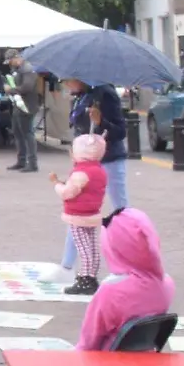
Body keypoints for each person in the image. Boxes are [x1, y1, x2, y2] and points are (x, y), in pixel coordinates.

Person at [77, 208, 174, 350]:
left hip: (107, 365)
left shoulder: (111, 291)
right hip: (146, 362)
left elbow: (88, 343)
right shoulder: (167, 284)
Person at [59, 78, 128, 272]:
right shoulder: (83, 95)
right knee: (77, 210)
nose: (65, 84)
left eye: (67, 80)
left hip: (109, 160)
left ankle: (127, 261)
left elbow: (120, 131)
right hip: (86, 162)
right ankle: (67, 265)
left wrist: (100, 122)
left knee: (121, 211)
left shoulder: (105, 93)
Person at [52, 133, 108, 296]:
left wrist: (56, 184)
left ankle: (85, 280)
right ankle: (92, 277)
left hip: (77, 215)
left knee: (84, 249)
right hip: (92, 213)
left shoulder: (80, 173)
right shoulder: (99, 170)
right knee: (92, 247)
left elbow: (68, 193)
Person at [5, 53, 42, 172]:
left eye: (10, 61)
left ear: (15, 58)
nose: (10, 64)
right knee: (17, 132)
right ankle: (21, 160)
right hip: (19, 104)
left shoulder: (27, 69)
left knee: (27, 134)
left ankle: (32, 162)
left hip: (27, 105)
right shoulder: (19, 69)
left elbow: (27, 87)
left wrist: (11, 90)